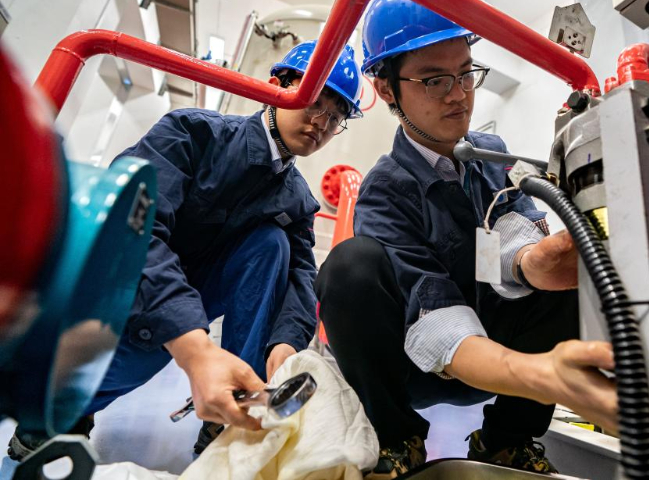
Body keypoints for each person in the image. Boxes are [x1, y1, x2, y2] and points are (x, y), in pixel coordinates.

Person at [8, 40, 362, 459]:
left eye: (336, 116)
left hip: (189, 301)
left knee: (272, 244)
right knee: (122, 361)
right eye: (315, 101)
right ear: (275, 87)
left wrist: (285, 345)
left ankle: (235, 409)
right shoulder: (192, 133)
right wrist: (193, 345)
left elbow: (302, 277)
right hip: (117, 291)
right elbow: (135, 230)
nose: (322, 122)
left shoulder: (298, 199)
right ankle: (59, 417)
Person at [314, 1, 618, 478]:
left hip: (495, 350)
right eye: (434, 80)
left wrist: (535, 261)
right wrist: (543, 375)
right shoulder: (384, 189)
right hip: (417, 365)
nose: (459, 95)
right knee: (348, 266)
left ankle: (506, 442)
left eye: (465, 73)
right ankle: (398, 438)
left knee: (566, 269)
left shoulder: (490, 152)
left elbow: (511, 231)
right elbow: (433, 314)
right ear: (386, 88)